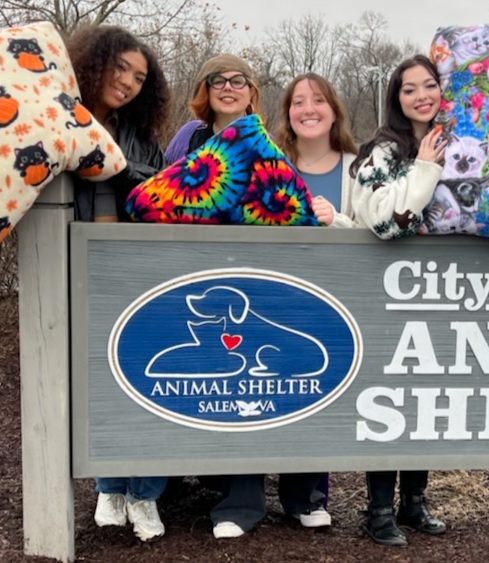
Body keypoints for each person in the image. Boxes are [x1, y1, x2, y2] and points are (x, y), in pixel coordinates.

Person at [165, 55, 332, 539]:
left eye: (239, 80)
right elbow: (167, 198)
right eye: (219, 79)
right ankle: (241, 500)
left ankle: (305, 496)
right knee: (241, 391)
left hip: (278, 278)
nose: (229, 87)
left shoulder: (272, 143)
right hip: (209, 273)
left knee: (296, 389)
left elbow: (291, 205)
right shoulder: (188, 139)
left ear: (252, 90)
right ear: (205, 88)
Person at [66, 25, 170, 541]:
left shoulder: (136, 136)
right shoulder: (59, 119)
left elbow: (160, 186)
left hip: (135, 272)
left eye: (138, 77)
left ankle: (145, 495)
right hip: (75, 274)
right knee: (99, 383)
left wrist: (116, 168)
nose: (127, 82)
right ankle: (110, 484)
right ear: (93, 63)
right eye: (120, 68)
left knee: (151, 379)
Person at [349, 55, 448, 547]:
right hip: (387, 291)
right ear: (396, 98)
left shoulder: (461, 140)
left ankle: (415, 502)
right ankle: (379, 510)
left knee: (425, 401)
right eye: (409, 89)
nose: (421, 96)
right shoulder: (383, 151)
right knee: (389, 401)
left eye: (429, 85)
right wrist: (427, 167)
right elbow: (387, 223)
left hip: (440, 292)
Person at [274, 72, 358, 227]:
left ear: (334, 114)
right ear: (288, 115)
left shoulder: (358, 170)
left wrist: (336, 220)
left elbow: (372, 235)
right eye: (298, 103)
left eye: (319, 101)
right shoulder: (269, 165)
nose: (308, 110)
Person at [164, 53, 261, 163]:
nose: (228, 87)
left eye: (237, 82)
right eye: (218, 82)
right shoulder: (189, 134)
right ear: (205, 92)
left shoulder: (268, 145)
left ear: (251, 92)